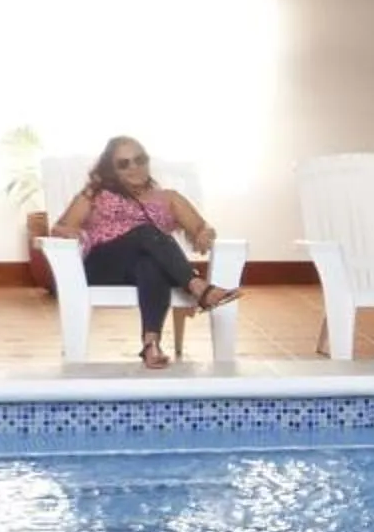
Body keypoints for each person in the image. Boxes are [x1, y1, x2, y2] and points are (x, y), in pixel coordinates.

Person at [49, 138, 238, 369]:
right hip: (104, 265)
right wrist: (72, 234)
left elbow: (202, 227)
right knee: (146, 232)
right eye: (124, 164)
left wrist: (204, 234)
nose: (134, 168)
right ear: (111, 169)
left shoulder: (169, 198)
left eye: (139, 160)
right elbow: (59, 227)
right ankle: (198, 287)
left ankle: (151, 344)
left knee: (150, 264)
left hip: (142, 267)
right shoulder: (95, 195)